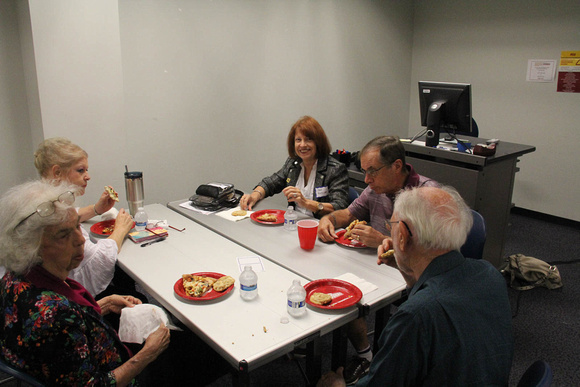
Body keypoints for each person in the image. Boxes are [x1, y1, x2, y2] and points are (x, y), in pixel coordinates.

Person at [317, 186, 514, 387]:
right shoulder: (489, 273)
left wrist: (337, 386)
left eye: (391, 225)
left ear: (402, 235)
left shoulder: (415, 317)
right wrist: (407, 266)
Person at [0, 180, 169, 385]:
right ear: (31, 247)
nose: (80, 240)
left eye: (77, 227)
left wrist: (104, 304)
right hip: (115, 373)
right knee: (195, 351)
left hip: (71, 360)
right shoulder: (54, 315)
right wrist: (148, 354)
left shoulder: (16, 277)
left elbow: (66, 333)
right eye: (64, 235)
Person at [317, 135, 439, 384]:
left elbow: (429, 253)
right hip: (375, 268)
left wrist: (381, 239)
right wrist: (327, 219)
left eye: (372, 171)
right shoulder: (376, 190)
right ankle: (367, 355)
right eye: (364, 172)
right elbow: (347, 214)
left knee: (349, 296)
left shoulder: (428, 195)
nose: (366, 180)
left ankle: (379, 361)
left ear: (396, 166)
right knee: (342, 292)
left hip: (412, 277)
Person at [33, 137, 135, 297]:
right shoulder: (55, 212)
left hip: (48, 289)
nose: (88, 176)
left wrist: (96, 209)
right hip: (66, 296)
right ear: (57, 172)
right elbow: (98, 262)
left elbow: (72, 214)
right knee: (131, 288)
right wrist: (120, 229)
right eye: (81, 170)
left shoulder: (43, 201)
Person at [239, 116, 349, 217]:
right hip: (293, 223)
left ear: (318, 142)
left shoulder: (335, 169)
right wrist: (254, 195)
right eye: (298, 140)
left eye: (308, 139)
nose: (302, 145)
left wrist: (306, 203)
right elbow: (271, 183)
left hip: (321, 228)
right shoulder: (293, 163)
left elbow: (339, 207)